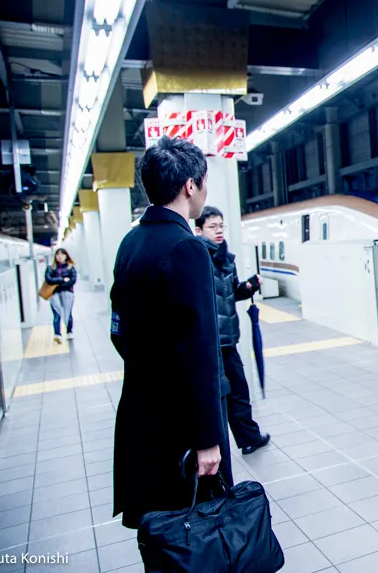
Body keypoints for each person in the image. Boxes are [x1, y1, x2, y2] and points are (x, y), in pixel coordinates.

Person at [110, 136, 231, 530]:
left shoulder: (131, 242)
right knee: (192, 534)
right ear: (190, 186)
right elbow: (200, 353)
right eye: (205, 181)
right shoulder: (187, 248)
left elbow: (119, 331)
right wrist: (208, 437)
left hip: (140, 412)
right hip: (181, 426)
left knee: (157, 531)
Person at [195, 205, 271, 455]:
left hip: (227, 339)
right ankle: (219, 444)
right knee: (220, 395)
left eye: (220, 226)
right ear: (199, 229)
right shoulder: (197, 259)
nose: (218, 231)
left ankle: (248, 437)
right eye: (212, 227)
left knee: (238, 391)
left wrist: (248, 287)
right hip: (209, 343)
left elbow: (230, 293)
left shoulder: (226, 258)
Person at [45, 248, 77, 343]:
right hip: (54, 295)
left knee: (68, 313)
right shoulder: (51, 267)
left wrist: (58, 283)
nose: (60, 256)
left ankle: (69, 331)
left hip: (67, 294)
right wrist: (62, 280)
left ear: (66, 256)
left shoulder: (71, 267)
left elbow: (72, 281)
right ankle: (57, 334)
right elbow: (48, 279)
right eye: (58, 254)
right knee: (56, 314)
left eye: (62, 254)